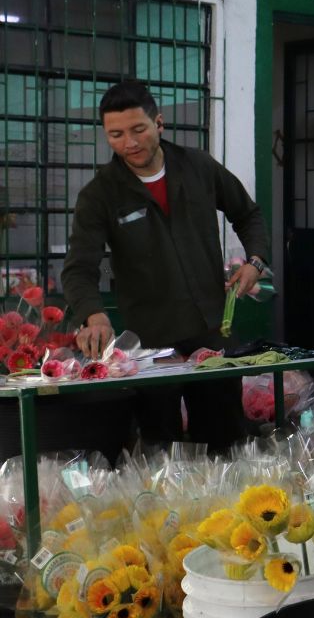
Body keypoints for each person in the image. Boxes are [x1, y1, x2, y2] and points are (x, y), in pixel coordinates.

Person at [62, 81, 269, 450]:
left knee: (225, 442)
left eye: (138, 129)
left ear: (159, 122)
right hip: (150, 345)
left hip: (211, 334)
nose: (129, 142)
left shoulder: (198, 166)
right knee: (161, 450)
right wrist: (92, 314)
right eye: (116, 134)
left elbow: (247, 213)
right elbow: (79, 267)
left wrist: (254, 261)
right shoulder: (101, 194)